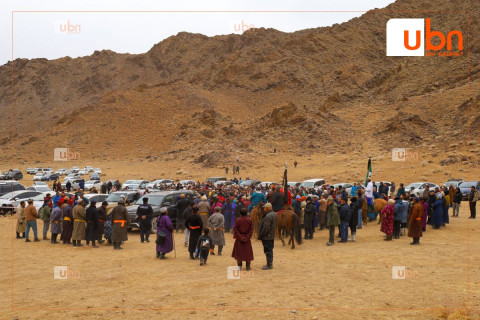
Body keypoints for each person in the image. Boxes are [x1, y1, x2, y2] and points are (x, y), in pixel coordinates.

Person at [258, 203, 278, 270]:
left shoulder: (268, 216)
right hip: (271, 234)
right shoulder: (274, 214)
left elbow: (266, 227)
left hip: (267, 236)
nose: (264, 209)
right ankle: (269, 263)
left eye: (264, 208)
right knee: (270, 249)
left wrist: (261, 235)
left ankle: (269, 265)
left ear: (266, 208)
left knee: (267, 250)